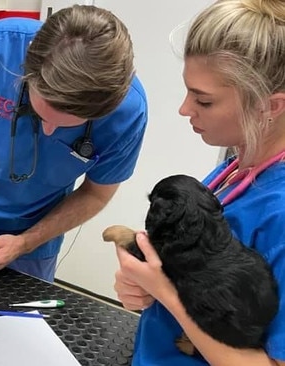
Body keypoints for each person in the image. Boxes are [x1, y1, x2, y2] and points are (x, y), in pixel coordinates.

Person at [0, 5, 149, 282]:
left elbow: (96, 193)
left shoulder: (128, 112)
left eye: (69, 125)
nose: (49, 131)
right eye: (42, 115)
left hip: (35, 240)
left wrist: (25, 243)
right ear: (26, 73)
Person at [113, 0, 285, 365]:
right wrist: (144, 287)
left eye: (204, 101)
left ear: (270, 107)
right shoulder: (237, 168)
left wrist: (169, 293)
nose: (184, 109)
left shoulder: (280, 213)